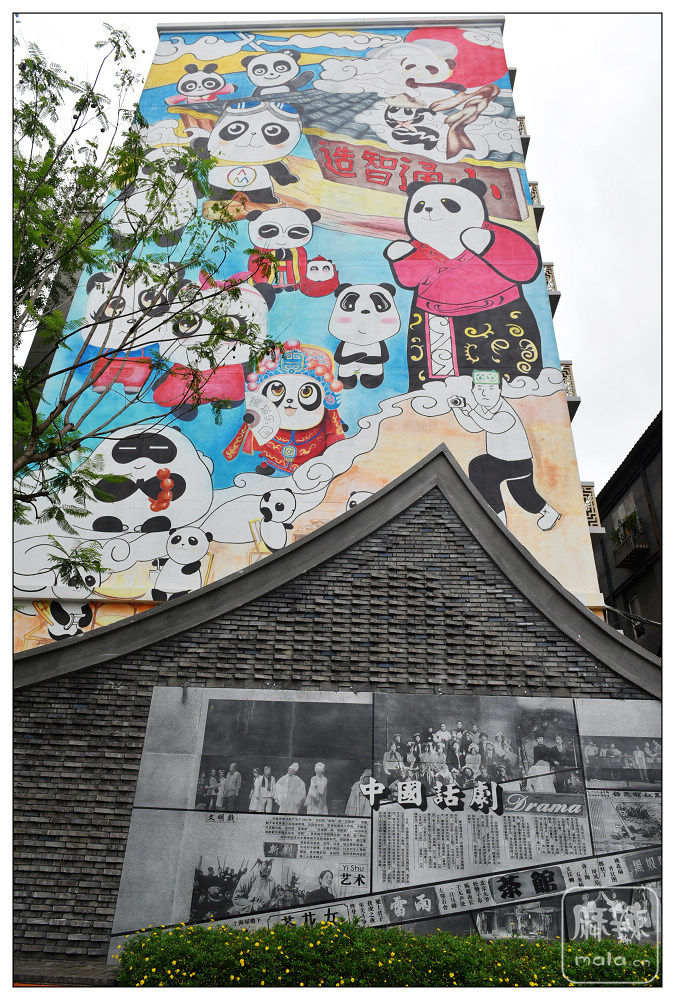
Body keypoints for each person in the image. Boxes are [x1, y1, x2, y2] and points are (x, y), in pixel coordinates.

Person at [453, 370, 560, 531]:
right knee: (523, 494)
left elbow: (493, 426)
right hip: (501, 461)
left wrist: (470, 411)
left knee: (480, 469)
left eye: (490, 388)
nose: (484, 393)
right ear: (473, 391)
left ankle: (499, 521)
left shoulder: (505, 411)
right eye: (480, 388)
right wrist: (458, 409)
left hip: (517, 464)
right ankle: (549, 512)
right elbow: (472, 426)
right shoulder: (484, 408)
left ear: (499, 390)